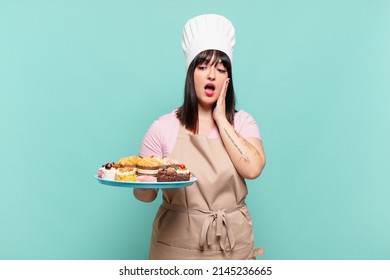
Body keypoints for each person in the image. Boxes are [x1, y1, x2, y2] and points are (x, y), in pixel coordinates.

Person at [134, 14, 266, 260]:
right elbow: (145, 196)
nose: (211, 75)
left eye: (220, 68)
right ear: (190, 74)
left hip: (232, 246)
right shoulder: (162, 127)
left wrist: (222, 119)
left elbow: (253, 168)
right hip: (174, 248)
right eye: (202, 67)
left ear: (228, 78)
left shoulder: (243, 123)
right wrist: (140, 179)